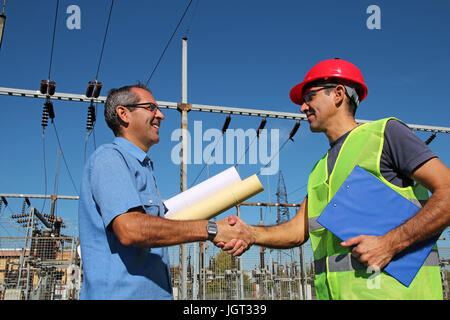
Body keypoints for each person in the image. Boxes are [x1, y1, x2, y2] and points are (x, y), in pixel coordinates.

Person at [220, 58, 450, 300]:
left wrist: (390, 243)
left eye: (309, 97)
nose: (302, 107)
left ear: (338, 94)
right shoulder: (319, 169)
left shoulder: (385, 134)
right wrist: (251, 234)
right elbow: (298, 231)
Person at [78, 83, 252, 300]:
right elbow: (131, 229)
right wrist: (212, 229)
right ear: (123, 114)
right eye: (151, 107)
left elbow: (147, 229)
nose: (160, 115)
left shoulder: (143, 168)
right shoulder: (110, 159)